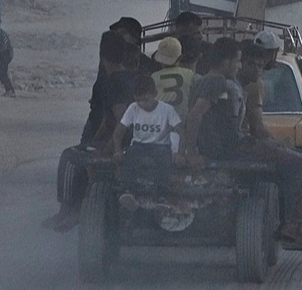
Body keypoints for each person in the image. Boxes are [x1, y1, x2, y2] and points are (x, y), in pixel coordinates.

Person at [181, 37, 302, 247]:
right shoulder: (217, 81)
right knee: (301, 163)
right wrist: (191, 152)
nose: (239, 66)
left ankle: (296, 221)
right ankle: (299, 221)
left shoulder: (203, 80)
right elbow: (195, 115)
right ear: (226, 62)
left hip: (232, 145)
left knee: (289, 158)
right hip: (231, 148)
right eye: (238, 62)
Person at [45, 33, 137, 232]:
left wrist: (105, 150)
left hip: (122, 144)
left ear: (102, 57)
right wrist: (93, 141)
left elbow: (122, 121)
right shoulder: (134, 77)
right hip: (135, 141)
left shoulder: (111, 82)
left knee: (70, 157)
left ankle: (70, 210)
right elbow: (109, 120)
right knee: (83, 150)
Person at [112, 75, 181, 206]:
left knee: (164, 159)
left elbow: (181, 131)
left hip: (160, 146)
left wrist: (180, 152)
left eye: (145, 99)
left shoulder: (166, 110)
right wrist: (118, 150)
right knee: (131, 155)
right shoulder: (133, 108)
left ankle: (162, 194)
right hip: (139, 145)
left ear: (154, 94)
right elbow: (118, 132)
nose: (142, 104)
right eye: (138, 100)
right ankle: (128, 190)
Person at [151, 36, 197, 126]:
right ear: (180, 57)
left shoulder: (154, 76)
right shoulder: (189, 74)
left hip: (161, 123)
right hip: (182, 122)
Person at [0, 27, 15, 96]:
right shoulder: (0, 32)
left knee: (2, 72)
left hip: (6, 54)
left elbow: (4, 46)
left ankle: (9, 90)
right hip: (5, 54)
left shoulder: (0, 33)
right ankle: (10, 90)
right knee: (2, 72)